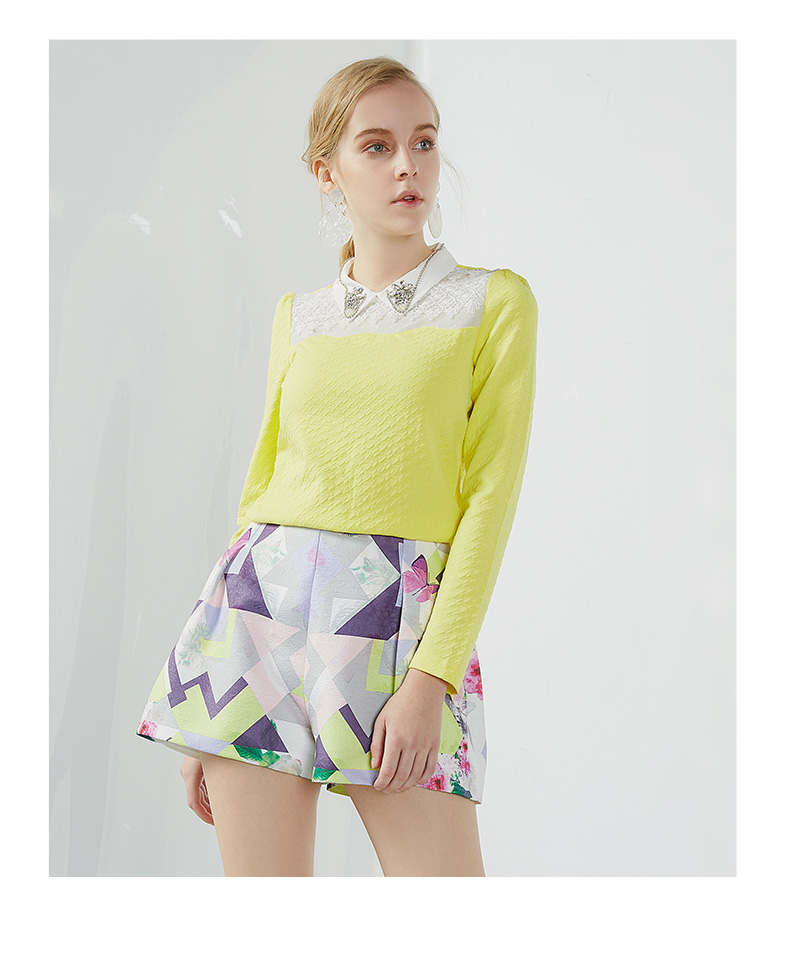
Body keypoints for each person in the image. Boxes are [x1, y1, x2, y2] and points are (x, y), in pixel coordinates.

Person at [136, 55, 538, 877]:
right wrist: (212, 700)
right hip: (257, 623)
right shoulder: (300, 316)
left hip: (400, 627)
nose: (408, 166)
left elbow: (490, 502)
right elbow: (262, 490)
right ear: (328, 171)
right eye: (378, 146)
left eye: (424, 142)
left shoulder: (493, 301)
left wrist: (430, 681)